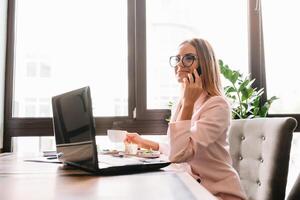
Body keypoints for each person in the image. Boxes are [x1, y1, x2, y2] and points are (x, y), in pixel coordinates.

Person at [125, 38, 247, 200]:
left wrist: (188, 103)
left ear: (205, 65)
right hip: (194, 189)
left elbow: (180, 154)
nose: (179, 64)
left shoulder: (217, 105)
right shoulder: (183, 101)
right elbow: (177, 147)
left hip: (218, 194)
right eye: (177, 58)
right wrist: (143, 142)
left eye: (188, 58)